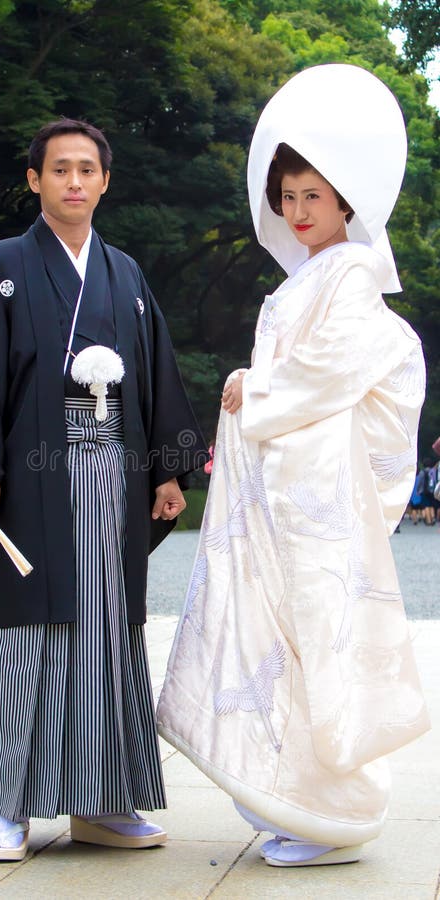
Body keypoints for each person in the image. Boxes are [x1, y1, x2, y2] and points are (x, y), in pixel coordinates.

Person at [157, 64, 430, 868]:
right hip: (287, 497)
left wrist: (257, 388)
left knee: (317, 641)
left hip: (318, 498)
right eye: (290, 196)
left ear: (347, 201)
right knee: (283, 645)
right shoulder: (302, 281)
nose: (300, 211)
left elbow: (334, 372)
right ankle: (299, 800)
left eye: (316, 196)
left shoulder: (349, 275)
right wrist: (260, 391)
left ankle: (332, 813)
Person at [0, 118, 207, 861]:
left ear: (105, 181)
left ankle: (103, 804)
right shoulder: (2, 266)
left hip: (112, 476)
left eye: (87, 170)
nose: (74, 181)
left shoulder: (126, 275)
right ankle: (10, 808)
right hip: (29, 476)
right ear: (35, 181)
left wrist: (168, 468)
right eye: (60, 170)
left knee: (108, 637)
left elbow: (152, 374)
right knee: (24, 636)